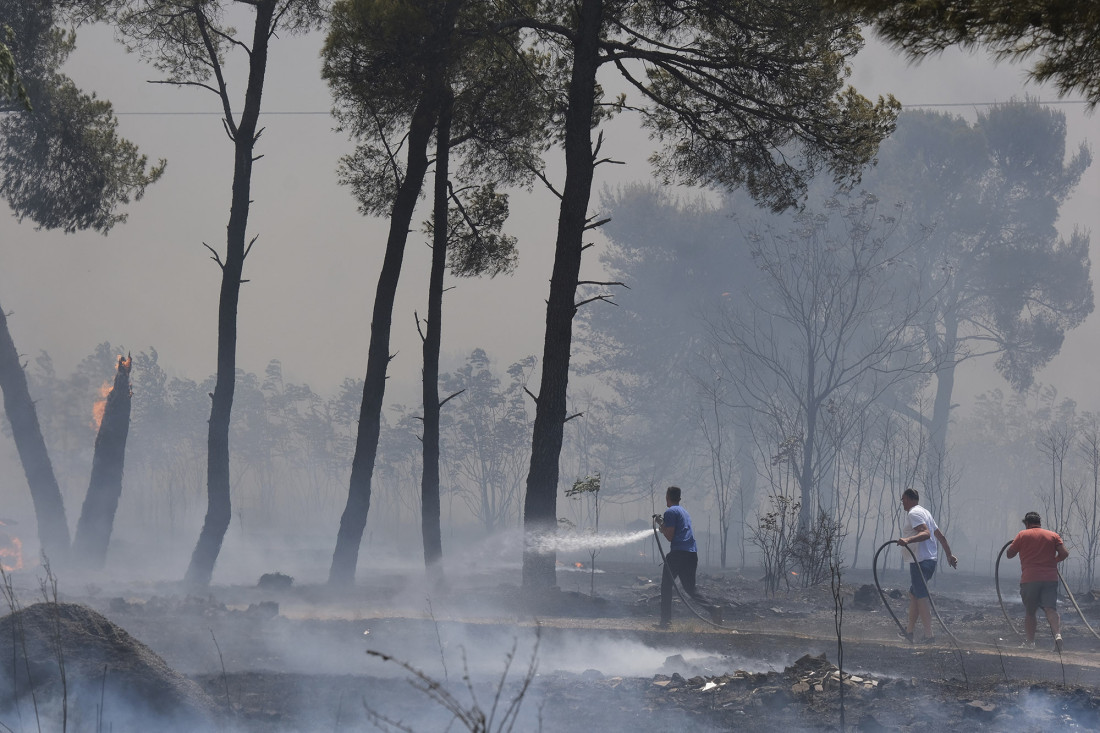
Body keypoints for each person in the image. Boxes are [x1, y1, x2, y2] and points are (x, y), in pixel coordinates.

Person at [896, 488, 957, 643]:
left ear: (909, 499)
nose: (902, 502)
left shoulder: (914, 513)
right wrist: (949, 555)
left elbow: (926, 534)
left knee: (921, 596)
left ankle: (929, 635)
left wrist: (907, 540)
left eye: (903, 499)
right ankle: (909, 631)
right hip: (930, 560)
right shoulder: (926, 512)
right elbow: (940, 536)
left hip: (920, 561)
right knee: (914, 594)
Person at [654, 486, 717, 628]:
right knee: (690, 589)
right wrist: (663, 524)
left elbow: (670, 536)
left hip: (678, 554)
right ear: (679, 498)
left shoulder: (670, 512)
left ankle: (665, 622)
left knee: (666, 586)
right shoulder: (685, 512)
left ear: (668, 496)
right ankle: (713, 609)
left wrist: (662, 526)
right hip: (691, 554)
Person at [1006, 511, 1069, 652]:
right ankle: (1057, 635)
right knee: (1050, 609)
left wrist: (1017, 545)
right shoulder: (1053, 536)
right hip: (1050, 579)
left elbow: (1009, 554)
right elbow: (1064, 553)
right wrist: (1053, 561)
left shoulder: (1022, 535)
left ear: (1027, 523)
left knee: (1030, 612)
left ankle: (1030, 642)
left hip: (1030, 579)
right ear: (1039, 523)